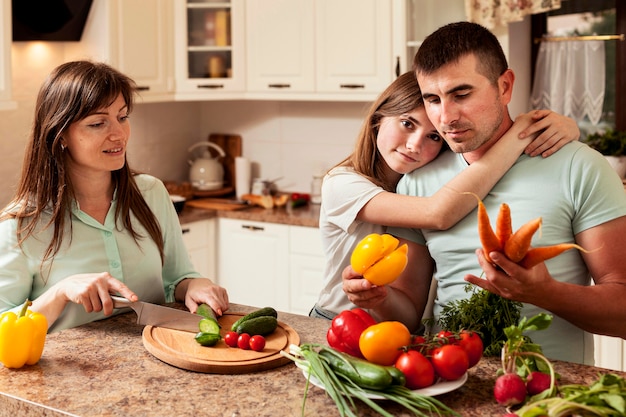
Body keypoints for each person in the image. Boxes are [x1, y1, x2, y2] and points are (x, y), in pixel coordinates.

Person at [342, 22, 626, 365]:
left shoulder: (580, 168)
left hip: (552, 390)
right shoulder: (418, 182)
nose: (445, 117)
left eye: (461, 94)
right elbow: (408, 315)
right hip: (447, 383)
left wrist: (546, 294)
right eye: (433, 99)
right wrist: (378, 298)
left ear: (504, 87)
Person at [312, 71, 580, 320]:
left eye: (434, 137)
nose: (415, 145)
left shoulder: (422, 180)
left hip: (393, 331)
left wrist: (565, 127)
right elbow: (437, 213)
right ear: (377, 118)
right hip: (334, 320)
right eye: (407, 123)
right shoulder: (342, 184)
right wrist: (522, 133)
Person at [0, 61, 229, 332]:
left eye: (122, 117)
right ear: (60, 135)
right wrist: (60, 292)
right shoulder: (21, 224)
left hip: (156, 358)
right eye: (98, 123)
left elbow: (177, 278)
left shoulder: (151, 193)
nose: (119, 134)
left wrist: (195, 284)